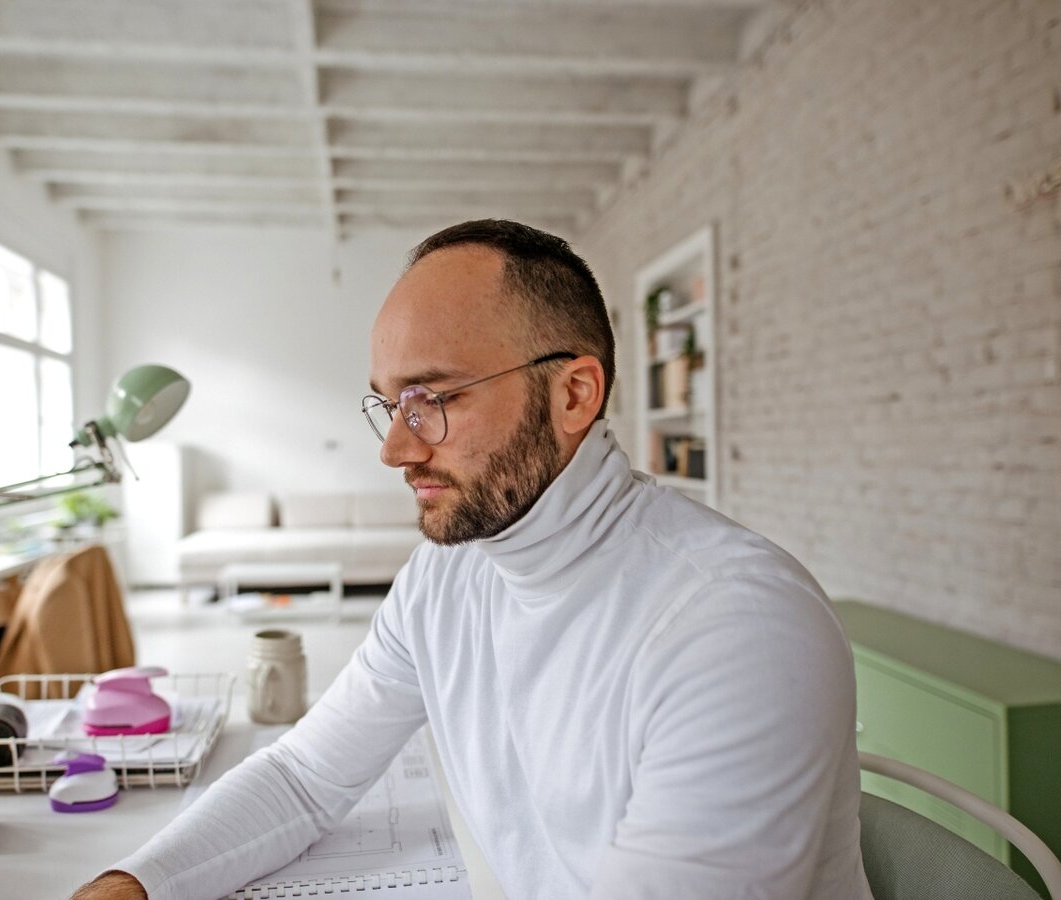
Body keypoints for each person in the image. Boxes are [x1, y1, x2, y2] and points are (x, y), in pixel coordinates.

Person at [74, 220, 872, 900]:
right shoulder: (448, 576)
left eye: (434, 400)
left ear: (574, 395)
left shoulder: (734, 623)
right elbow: (305, 778)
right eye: (390, 404)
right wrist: (132, 883)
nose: (393, 448)